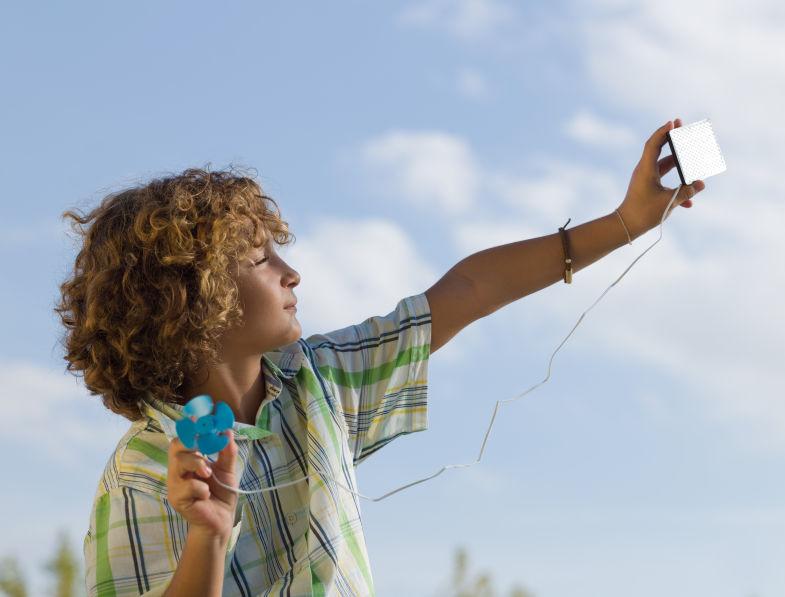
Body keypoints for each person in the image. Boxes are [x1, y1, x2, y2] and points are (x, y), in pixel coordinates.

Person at [56, 119, 704, 597]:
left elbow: (469, 291)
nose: (292, 272)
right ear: (191, 300)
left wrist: (627, 220)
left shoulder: (317, 383)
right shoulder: (142, 471)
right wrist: (209, 537)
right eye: (261, 258)